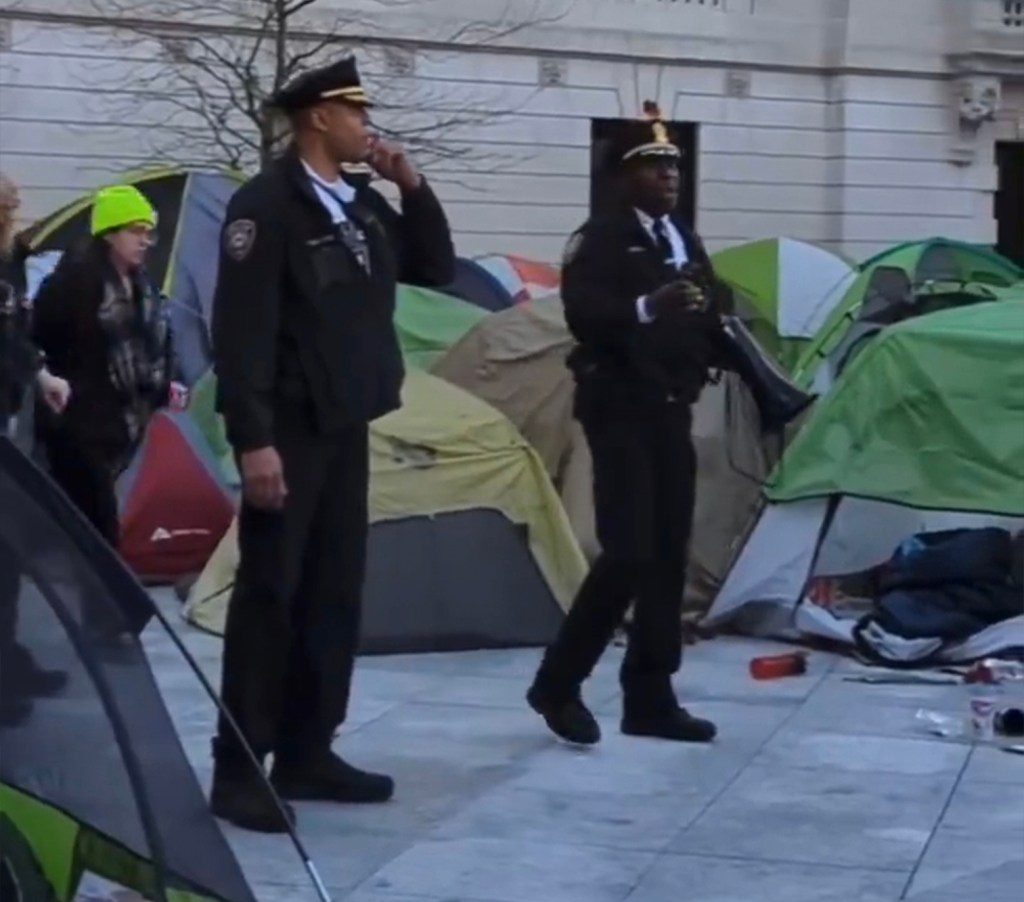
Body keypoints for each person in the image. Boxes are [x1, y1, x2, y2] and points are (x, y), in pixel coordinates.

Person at [209, 55, 455, 833]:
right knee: (270, 595)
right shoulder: (268, 205)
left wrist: (410, 185)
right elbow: (241, 332)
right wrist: (253, 441)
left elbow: (436, 266)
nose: (367, 127)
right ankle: (240, 765)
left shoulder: (358, 202)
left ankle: (309, 748)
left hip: (346, 423)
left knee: (333, 593)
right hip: (287, 428)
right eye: (356, 114)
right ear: (319, 116)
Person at [526, 102, 735, 746]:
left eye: (674, 166)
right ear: (623, 176)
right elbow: (588, 316)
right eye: (654, 166)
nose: (670, 176)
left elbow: (710, 304)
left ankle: (651, 694)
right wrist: (651, 304)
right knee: (629, 552)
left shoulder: (681, 237)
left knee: (669, 555)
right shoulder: (601, 239)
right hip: (620, 409)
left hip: (671, 407)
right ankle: (558, 683)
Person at [31, 185, 174, 639]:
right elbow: (40, 338)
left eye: (148, 231)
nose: (145, 239)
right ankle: (109, 618)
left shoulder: (141, 286)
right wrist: (54, 384)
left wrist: (163, 385)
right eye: (136, 230)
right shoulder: (75, 280)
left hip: (118, 422)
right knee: (97, 524)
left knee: (91, 522)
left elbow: (151, 346)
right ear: (109, 232)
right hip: (76, 421)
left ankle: (103, 617)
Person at [0, 171, 71, 727]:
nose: (16, 212)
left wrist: (38, 371)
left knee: (9, 549)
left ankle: (11, 658)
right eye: (8, 204)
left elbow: (15, 330)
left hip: (6, 413)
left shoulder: (10, 262)